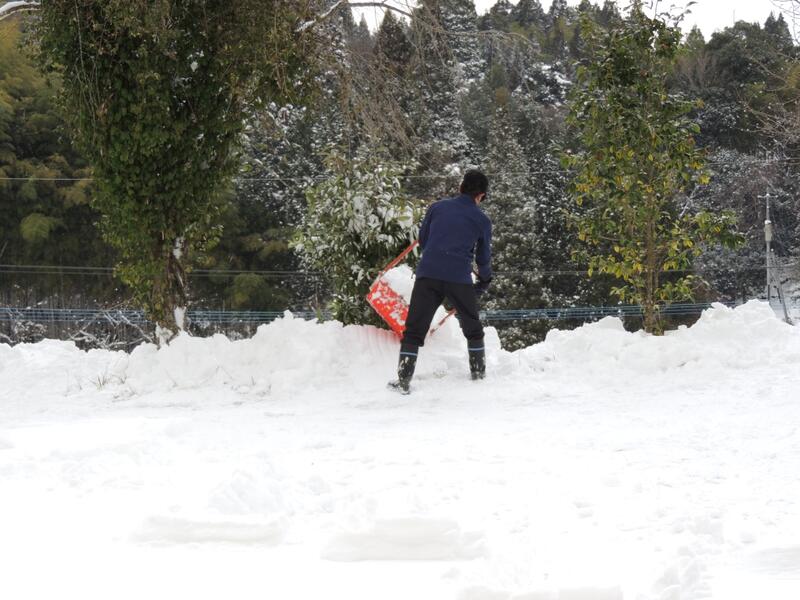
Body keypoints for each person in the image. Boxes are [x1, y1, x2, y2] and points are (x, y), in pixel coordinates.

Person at [388, 169, 492, 394]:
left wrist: (437, 256)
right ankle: (478, 375)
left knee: (414, 329)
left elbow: (424, 240)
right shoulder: (482, 221)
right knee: (472, 327)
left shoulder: (437, 208)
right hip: (459, 279)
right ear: (481, 195)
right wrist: (484, 280)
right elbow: (483, 259)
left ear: (461, 187)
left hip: (428, 275)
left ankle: (404, 380)